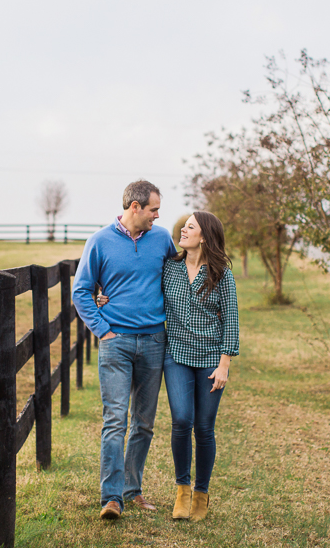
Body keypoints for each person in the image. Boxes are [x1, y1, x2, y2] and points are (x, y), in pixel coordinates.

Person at [97, 211, 240, 522]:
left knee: (204, 427)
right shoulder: (170, 268)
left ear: (204, 236)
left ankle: (201, 494)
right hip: (175, 355)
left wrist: (225, 363)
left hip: (210, 359)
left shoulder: (221, 275)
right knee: (181, 420)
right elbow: (138, 284)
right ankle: (182, 490)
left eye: (190, 227)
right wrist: (103, 296)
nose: (182, 230)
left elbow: (231, 320)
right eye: (184, 226)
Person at [72, 180, 177, 520]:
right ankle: (111, 497)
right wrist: (103, 331)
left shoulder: (162, 239)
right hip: (115, 343)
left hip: (153, 342)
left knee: (144, 423)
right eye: (153, 209)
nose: (157, 216)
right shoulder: (100, 242)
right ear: (135, 207)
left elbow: (176, 280)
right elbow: (81, 292)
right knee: (115, 420)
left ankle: (133, 491)